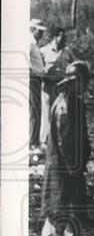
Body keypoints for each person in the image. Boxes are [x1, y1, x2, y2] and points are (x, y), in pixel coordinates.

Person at [39, 61, 92, 236]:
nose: (86, 85)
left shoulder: (73, 101)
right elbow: (65, 139)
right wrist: (73, 165)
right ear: (75, 82)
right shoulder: (64, 105)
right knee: (59, 201)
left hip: (70, 161)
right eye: (84, 81)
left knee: (72, 200)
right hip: (63, 162)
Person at [39, 26, 75, 146]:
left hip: (62, 86)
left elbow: (74, 65)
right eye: (61, 36)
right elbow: (37, 69)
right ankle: (45, 140)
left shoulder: (67, 52)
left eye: (65, 37)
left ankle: (59, 140)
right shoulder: (43, 51)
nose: (64, 39)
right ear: (54, 37)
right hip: (48, 86)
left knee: (61, 112)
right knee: (47, 113)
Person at [29, 19, 47, 154]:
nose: (41, 34)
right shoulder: (29, 42)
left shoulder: (34, 43)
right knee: (35, 110)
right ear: (33, 29)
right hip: (32, 78)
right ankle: (33, 143)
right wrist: (32, 72)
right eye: (39, 31)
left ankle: (33, 141)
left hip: (36, 78)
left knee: (35, 110)